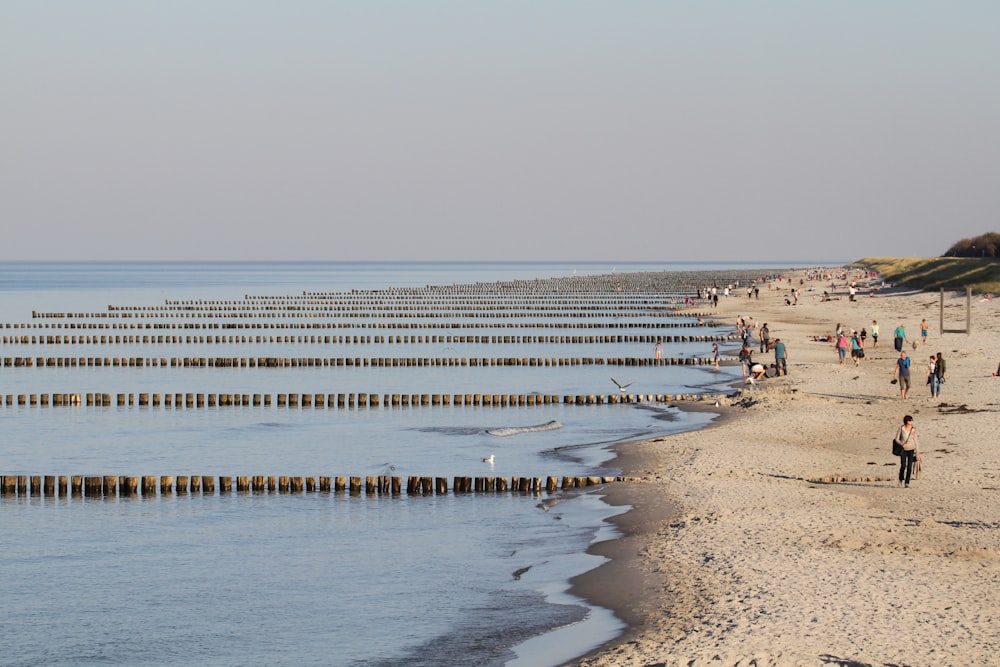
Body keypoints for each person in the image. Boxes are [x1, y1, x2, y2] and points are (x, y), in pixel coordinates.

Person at [894, 415, 921, 487]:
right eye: (910, 420)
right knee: (903, 465)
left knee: (909, 466)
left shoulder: (913, 430)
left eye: (912, 420)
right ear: (906, 421)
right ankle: (900, 479)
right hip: (903, 449)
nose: (911, 422)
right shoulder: (901, 428)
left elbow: (916, 440)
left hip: (911, 449)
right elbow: (896, 439)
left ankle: (907, 482)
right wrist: (901, 443)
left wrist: (918, 451)